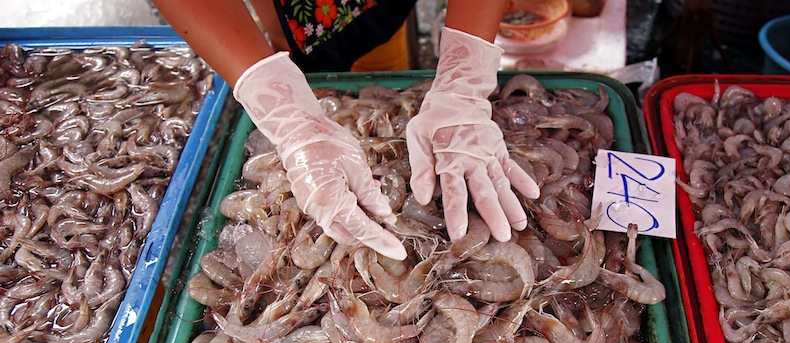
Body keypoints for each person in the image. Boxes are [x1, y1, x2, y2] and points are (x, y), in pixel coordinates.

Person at [153, 0, 540, 261]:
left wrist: (464, 73)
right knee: (310, 60)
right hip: (298, 15)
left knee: (385, 46)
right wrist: (281, 105)